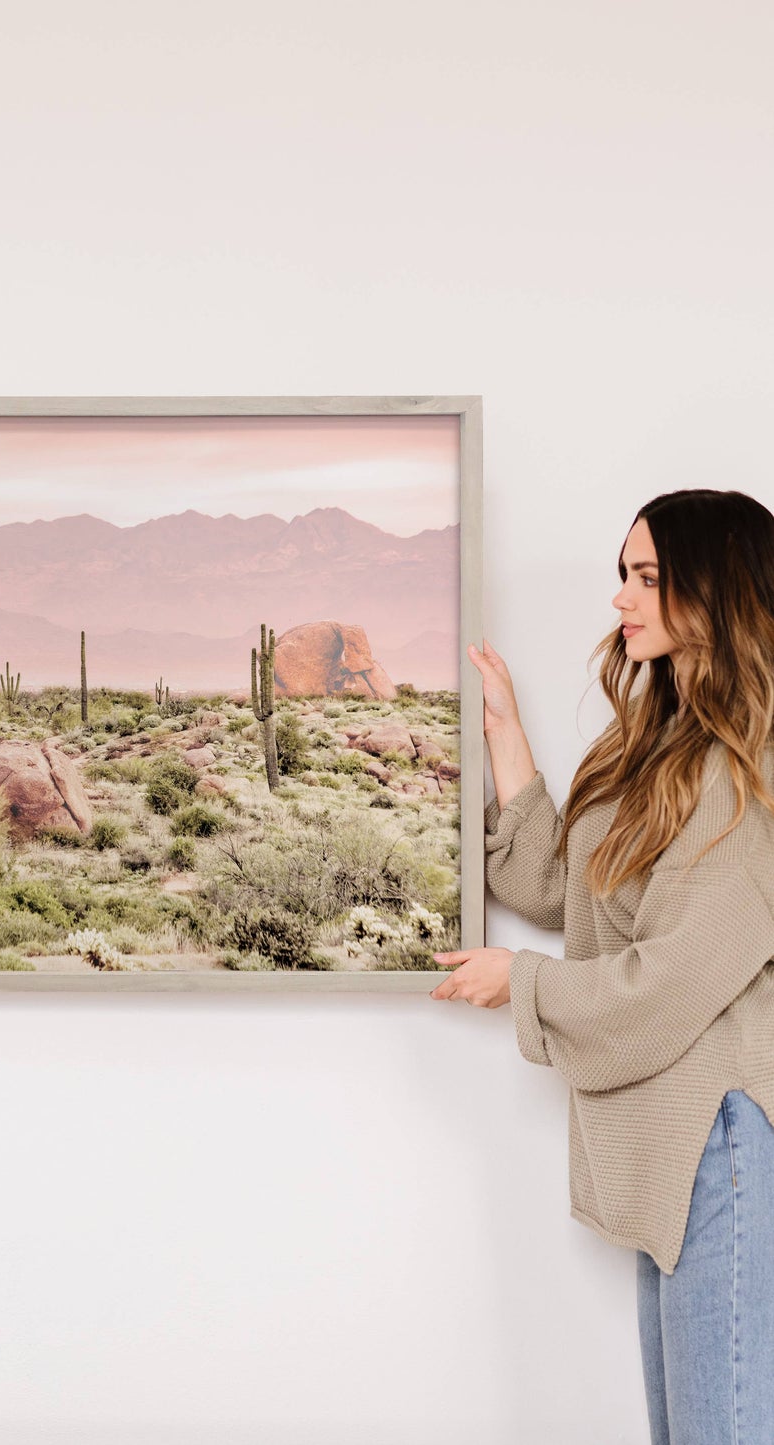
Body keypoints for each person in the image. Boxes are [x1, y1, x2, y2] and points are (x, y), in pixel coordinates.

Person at [427, 489, 774, 1442]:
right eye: (622, 575)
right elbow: (562, 887)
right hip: (670, 1145)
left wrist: (521, 984)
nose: (622, 598)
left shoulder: (751, 768)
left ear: (717, 591)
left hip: (721, 1142)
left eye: (649, 578)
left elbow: (675, 977)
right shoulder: (655, 743)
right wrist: (502, 728)